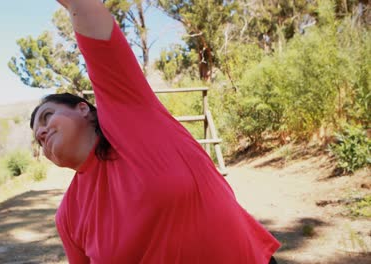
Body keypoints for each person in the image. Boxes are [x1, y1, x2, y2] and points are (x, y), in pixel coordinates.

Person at [30, 0, 281, 263]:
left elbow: (92, 25)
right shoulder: (68, 216)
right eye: (38, 137)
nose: (43, 133)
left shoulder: (133, 122)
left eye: (47, 116)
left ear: (83, 109)